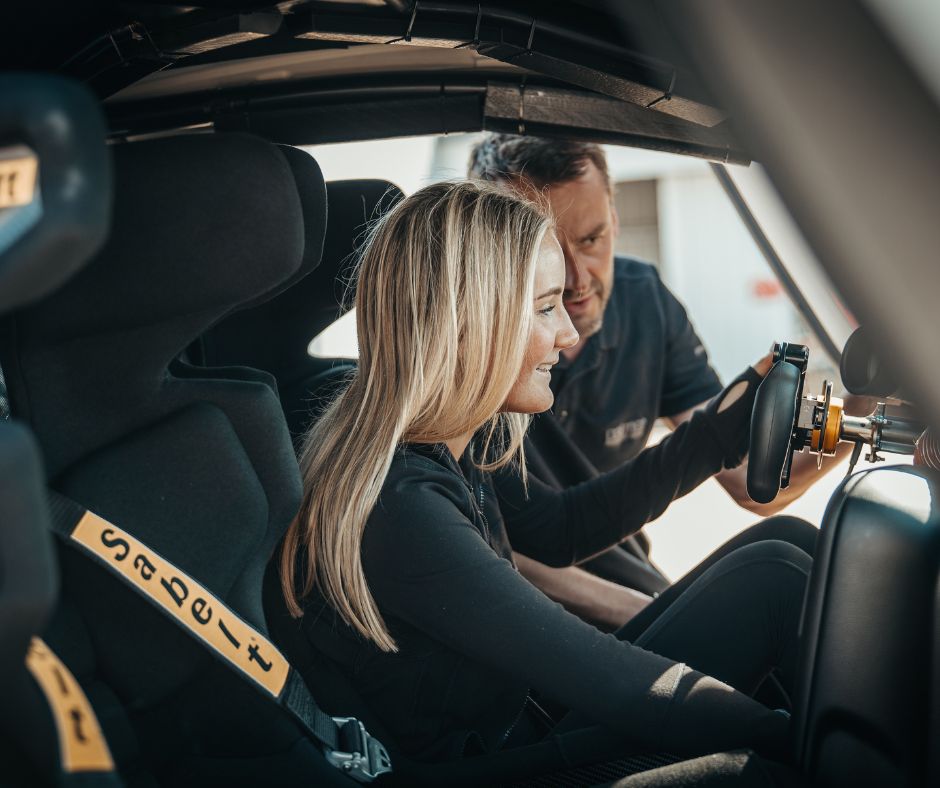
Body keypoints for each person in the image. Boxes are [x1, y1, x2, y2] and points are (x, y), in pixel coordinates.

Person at [276, 180, 811, 778]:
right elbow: (609, 679)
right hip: (504, 760)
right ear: (471, 319)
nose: (569, 335)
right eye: (546, 307)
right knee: (772, 684)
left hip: (525, 722)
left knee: (785, 553)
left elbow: (559, 530)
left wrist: (716, 431)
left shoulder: (448, 441)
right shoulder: (399, 507)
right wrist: (804, 745)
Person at [467, 135, 857, 626]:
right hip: (538, 617)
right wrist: (644, 614)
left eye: (592, 239)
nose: (577, 280)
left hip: (634, 584)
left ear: (615, 216)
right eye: (540, 249)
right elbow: (502, 546)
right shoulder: (467, 354)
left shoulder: (643, 299)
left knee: (791, 547)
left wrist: (864, 411)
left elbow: (753, 482)